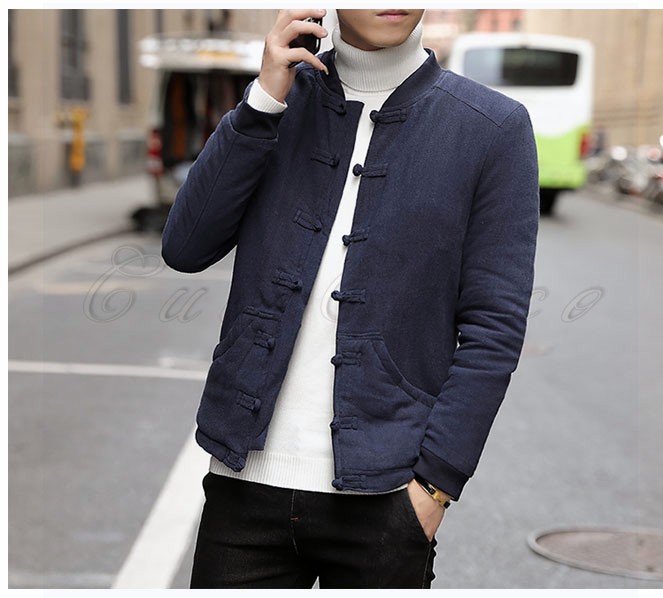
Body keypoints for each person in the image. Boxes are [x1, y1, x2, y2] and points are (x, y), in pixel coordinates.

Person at [161, 8, 539, 589]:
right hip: (244, 491)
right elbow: (185, 246)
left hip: (387, 502)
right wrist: (262, 102)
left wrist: (434, 488)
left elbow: (495, 328)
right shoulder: (277, 104)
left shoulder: (492, 127)